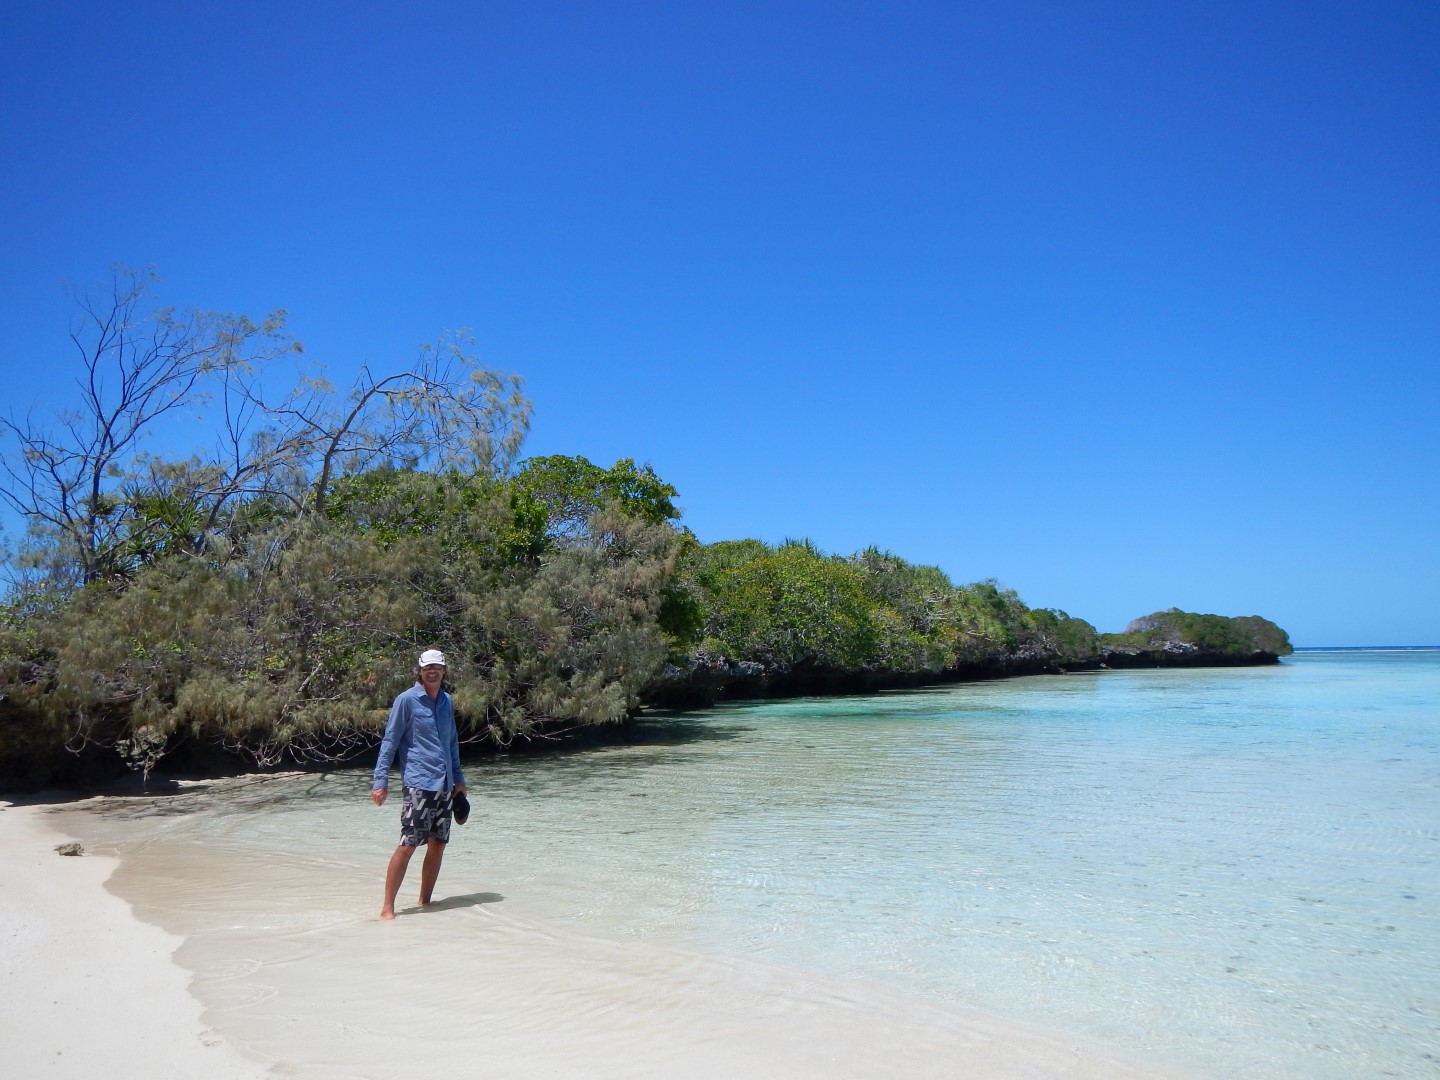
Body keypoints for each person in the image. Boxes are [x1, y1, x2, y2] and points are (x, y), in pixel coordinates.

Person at [371, 648, 467, 919]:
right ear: (420, 671)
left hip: (445, 783)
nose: (432, 672)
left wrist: (459, 779)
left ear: (444, 671)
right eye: (427, 668)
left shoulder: (446, 701)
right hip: (419, 783)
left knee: (439, 843)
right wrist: (380, 781)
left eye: (437, 667)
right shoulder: (406, 700)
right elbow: (390, 741)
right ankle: (387, 908)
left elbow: (451, 742)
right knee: (408, 844)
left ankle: (425, 901)